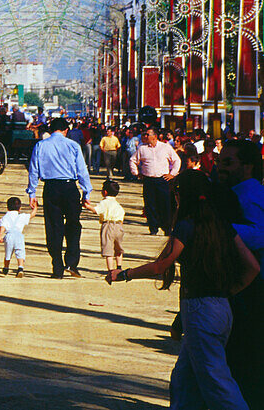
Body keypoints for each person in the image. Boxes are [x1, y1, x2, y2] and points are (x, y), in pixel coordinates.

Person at [107, 171, 259, 410]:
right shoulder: (221, 225)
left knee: (217, 381)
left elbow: (161, 265)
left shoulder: (187, 226)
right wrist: (229, 292)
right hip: (220, 308)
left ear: (181, 194)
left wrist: (125, 274)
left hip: (200, 309)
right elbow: (252, 267)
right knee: (184, 378)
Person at [212, 140, 264, 408]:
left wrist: (218, 229)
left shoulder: (250, 193)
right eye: (219, 161)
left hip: (251, 288)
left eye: (228, 162)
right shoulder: (235, 191)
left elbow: (260, 233)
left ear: (247, 166)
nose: (221, 167)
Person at [27, 117, 93, 278]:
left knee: (53, 226)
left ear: (50, 130)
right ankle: (71, 262)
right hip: (70, 188)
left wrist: (32, 193)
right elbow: (82, 170)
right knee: (73, 224)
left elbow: (33, 170)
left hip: (51, 189)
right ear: (65, 130)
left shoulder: (41, 145)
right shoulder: (73, 145)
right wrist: (86, 192)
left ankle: (57, 266)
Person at [130, 127, 182, 235]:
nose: (145, 137)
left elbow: (177, 160)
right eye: (144, 134)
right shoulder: (142, 148)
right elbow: (133, 160)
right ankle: (153, 228)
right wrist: (136, 173)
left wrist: (172, 174)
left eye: (147, 134)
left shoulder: (165, 147)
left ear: (155, 136)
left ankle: (167, 228)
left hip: (163, 180)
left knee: (165, 204)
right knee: (150, 204)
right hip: (148, 179)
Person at [85, 178, 125, 276]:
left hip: (108, 225)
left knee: (108, 248)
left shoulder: (105, 202)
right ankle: (119, 266)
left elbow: (96, 210)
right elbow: (122, 215)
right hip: (119, 226)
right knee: (118, 248)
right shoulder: (117, 204)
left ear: (105, 192)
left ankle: (110, 270)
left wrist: (87, 206)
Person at [0, 196, 34, 277]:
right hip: (19, 235)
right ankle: (20, 268)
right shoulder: (22, 216)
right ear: (19, 208)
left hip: (9, 236)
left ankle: (6, 267)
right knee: (20, 252)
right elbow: (32, 215)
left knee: (8, 252)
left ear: (7, 208)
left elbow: (2, 226)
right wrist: (35, 207)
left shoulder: (6, 217)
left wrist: (0, 235)